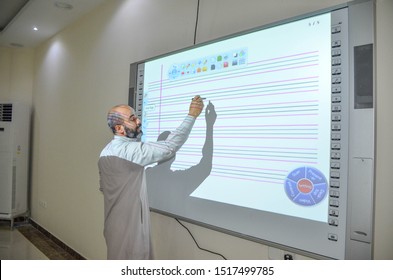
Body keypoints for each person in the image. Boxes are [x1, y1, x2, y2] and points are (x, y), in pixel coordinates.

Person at [98, 96, 204, 260]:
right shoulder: (131, 151)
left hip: (113, 226)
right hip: (131, 231)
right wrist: (192, 115)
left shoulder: (105, 152)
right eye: (132, 119)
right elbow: (170, 147)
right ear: (119, 128)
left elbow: (104, 188)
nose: (139, 120)